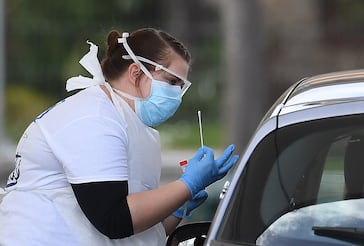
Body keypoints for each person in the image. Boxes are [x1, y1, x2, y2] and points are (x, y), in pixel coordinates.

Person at [0, 28, 239, 245]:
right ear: (136, 72)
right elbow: (114, 219)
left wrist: (177, 208)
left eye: (181, 86)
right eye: (172, 82)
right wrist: (187, 186)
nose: (177, 94)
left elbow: (137, 231)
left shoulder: (137, 128)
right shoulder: (94, 118)